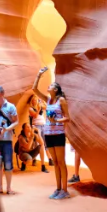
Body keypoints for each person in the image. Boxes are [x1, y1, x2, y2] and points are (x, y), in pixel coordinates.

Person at [32, 66, 72, 199]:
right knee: (55, 162)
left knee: (61, 162)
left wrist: (56, 119)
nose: (48, 87)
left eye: (50, 86)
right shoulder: (48, 100)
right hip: (49, 134)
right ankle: (58, 188)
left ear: (55, 89)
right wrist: (39, 75)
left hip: (58, 134)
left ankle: (65, 190)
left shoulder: (61, 100)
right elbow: (34, 90)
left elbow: (67, 117)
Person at [0, 86, 18, 194]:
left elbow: (16, 121)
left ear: (2, 94)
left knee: (8, 164)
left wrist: (6, 129)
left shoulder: (10, 106)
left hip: (7, 139)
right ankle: (0, 187)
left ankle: (8, 187)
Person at [25, 93, 49, 172]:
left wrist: (43, 102)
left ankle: (47, 160)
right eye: (34, 100)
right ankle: (34, 159)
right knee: (36, 143)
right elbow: (35, 116)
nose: (35, 101)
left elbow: (47, 107)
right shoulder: (30, 108)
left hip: (43, 125)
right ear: (32, 101)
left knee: (44, 142)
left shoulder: (40, 106)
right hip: (36, 126)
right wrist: (39, 108)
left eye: (36, 100)